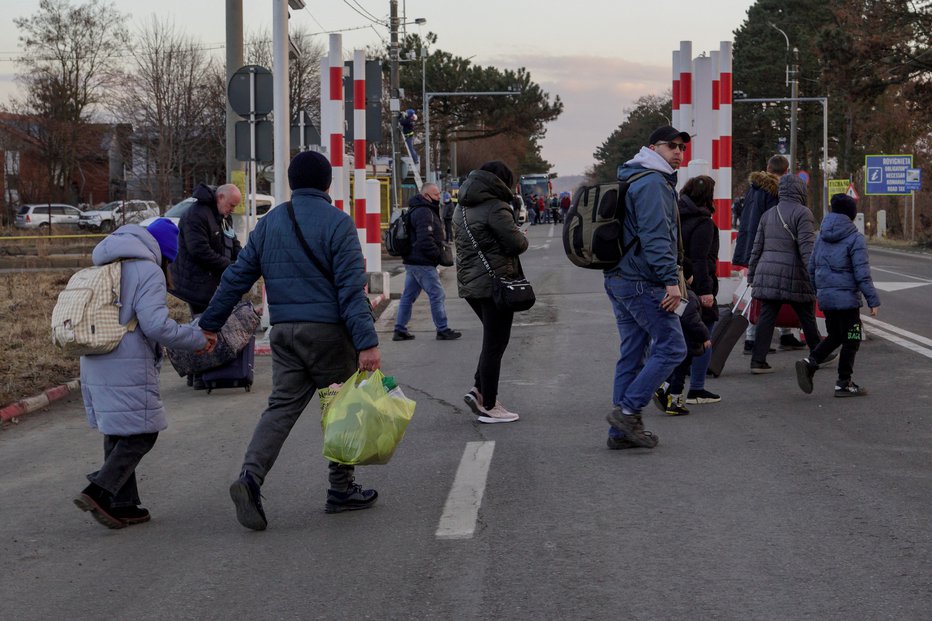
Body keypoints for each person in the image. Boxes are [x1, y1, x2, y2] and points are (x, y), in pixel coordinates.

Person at [198, 151, 382, 530]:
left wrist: (211, 324)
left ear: (292, 183)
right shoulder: (339, 224)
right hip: (328, 334)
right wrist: (367, 342)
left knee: (280, 409)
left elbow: (236, 277)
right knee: (340, 407)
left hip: (283, 332)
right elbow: (351, 291)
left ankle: (250, 477)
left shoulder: (270, 224)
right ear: (328, 184)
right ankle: (341, 488)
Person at [74, 219, 211, 529]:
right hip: (125, 357)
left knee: (119, 429)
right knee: (143, 431)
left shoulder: (107, 263)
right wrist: (197, 339)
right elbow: (156, 326)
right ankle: (98, 489)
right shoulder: (147, 269)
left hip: (96, 355)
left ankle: (123, 504)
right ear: (164, 253)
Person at [604, 126, 689, 450]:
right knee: (672, 347)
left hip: (618, 278)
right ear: (653, 148)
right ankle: (627, 412)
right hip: (642, 281)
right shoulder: (653, 182)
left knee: (633, 353)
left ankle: (620, 433)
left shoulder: (632, 176)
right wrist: (671, 282)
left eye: (682, 147)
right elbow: (656, 238)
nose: (678, 152)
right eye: (672, 146)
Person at [453, 160, 529, 423]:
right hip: (495, 284)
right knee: (495, 344)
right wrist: (520, 233)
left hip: (471, 284)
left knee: (492, 340)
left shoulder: (461, 208)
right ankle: (490, 405)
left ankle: (478, 391)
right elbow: (516, 243)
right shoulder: (496, 207)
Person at [795, 194, 880, 397]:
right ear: (851, 214)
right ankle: (843, 383)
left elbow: (812, 267)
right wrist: (872, 300)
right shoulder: (855, 238)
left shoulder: (821, 236)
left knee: (835, 335)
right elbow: (861, 273)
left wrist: (820, 291)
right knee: (852, 338)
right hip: (847, 302)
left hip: (828, 299)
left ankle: (810, 362)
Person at [746, 174, 824, 374]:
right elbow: (808, 249)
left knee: (767, 316)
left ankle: (758, 361)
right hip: (793, 273)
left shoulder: (768, 214)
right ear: (800, 190)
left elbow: (757, 247)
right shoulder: (803, 213)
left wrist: (752, 274)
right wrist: (815, 276)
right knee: (806, 313)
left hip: (767, 272)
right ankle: (819, 354)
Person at [732, 156, 805, 354]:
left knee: (764, 293)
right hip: (770, 248)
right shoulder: (776, 193)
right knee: (773, 293)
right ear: (787, 170)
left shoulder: (753, 189)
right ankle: (753, 339)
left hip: (751, 245)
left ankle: (781, 335)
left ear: (767, 168)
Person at [393, 182, 462, 342]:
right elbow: (425, 240)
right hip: (422, 262)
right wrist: (437, 255)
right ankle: (442, 329)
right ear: (426, 196)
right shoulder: (424, 212)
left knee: (408, 295)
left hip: (413, 260)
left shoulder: (418, 209)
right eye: (436, 194)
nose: (439, 197)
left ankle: (400, 329)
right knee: (437, 294)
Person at [678, 175, 721, 404]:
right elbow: (701, 259)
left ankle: (669, 385)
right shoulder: (704, 223)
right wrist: (706, 292)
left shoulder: (675, 216)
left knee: (678, 334)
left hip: (676, 283)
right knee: (704, 335)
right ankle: (697, 388)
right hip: (698, 285)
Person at [170, 183, 242, 317]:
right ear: (220, 197)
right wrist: (231, 266)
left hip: (213, 284)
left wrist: (243, 260)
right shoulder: (195, 215)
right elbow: (200, 251)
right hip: (195, 288)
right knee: (202, 329)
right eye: (231, 205)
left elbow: (233, 242)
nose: (232, 210)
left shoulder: (224, 217)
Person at [653, 260, 711, 416]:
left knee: (675, 369)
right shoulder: (688, 297)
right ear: (688, 277)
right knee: (681, 373)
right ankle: (675, 402)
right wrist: (705, 336)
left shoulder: (667, 294)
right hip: (687, 342)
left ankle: (663, 388)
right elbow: (693, 321)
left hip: (674, 339)